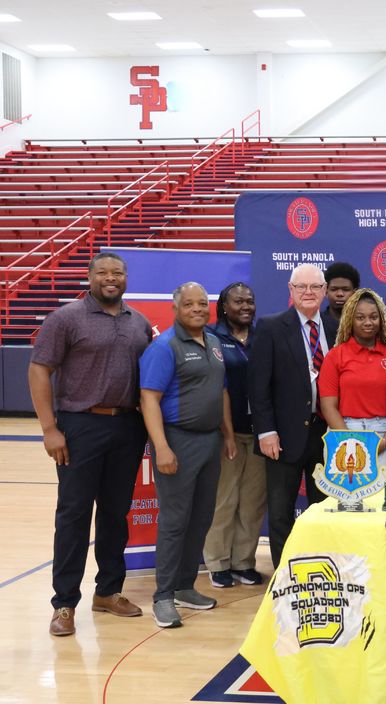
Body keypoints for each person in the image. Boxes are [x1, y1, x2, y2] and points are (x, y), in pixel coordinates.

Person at [28, 252, 152, 637]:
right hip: (80, 425)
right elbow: (39, 369)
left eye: (117, 272)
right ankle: (64, 603)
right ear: (90, 277)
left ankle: (109, 591)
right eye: (103, 273)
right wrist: (50, 429)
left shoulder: (139, 323)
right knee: (74, 515)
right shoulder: (65, 318)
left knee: (116, 514)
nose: (110, 278)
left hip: (127, 426)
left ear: (126, 278)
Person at [140, 282, 236, 629]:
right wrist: (162, 447)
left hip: (210, 441)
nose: (197, 309)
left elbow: (221, 392)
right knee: (175, 521)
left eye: (202, 304)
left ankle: (184, 586)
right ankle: (163, 597)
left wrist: (227, 434)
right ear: (176, 308)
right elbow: (148, 398)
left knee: (201, 518)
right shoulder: (164, 346)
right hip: (178, 442)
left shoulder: (212, 343)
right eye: (189, 304)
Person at [249, 264, 339, 569]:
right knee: (280, 511)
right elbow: (258, 385)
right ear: (291, 290)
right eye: (302, 287)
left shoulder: (336, 328)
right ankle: (284, 575)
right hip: (283, 435)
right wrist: (266, 431)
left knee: (323, 509)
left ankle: (320, 570)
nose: (309, 293)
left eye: (315, 287)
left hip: (326, 435)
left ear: (325, 291)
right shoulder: (271, 327)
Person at [204, 282, 266, 589]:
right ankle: (218, 563)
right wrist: (227, 433)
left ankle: (244, 562)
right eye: (238, 301)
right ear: (224, 307)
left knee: (252, 503)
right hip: (226, 433)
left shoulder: (263, 337)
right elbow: (218, 388)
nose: (245, 306)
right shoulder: (212, 337)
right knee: (223, 500)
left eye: (250, 301)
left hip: (260, 435)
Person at [319, 289, 386, 479]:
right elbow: (328, 406)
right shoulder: (335, 356)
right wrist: (350, 442)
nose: (368, 322)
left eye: (374, 317)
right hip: (344, 432)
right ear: (350, 320)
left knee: (380, 504)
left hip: (382, 434)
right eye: (360, 317)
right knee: (347, 505)